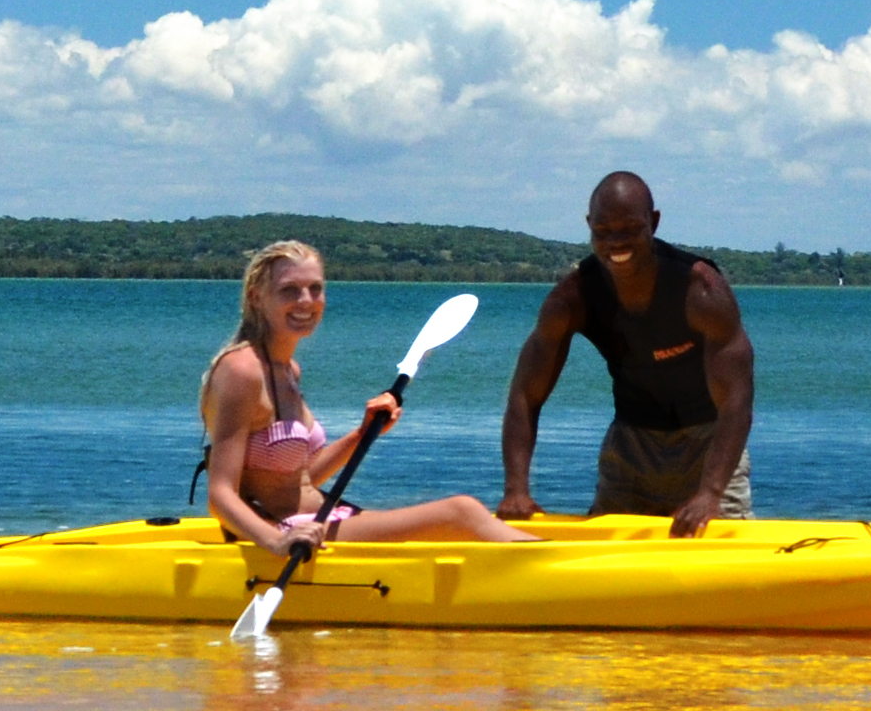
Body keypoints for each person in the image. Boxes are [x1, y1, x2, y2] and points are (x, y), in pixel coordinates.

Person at [199, 241, 532, 552]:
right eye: (290, 290)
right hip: (287, 532)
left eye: (315, 288)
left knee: (463, 516)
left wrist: (362, 433)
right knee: (461, 511)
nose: (306, 300)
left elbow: (301, 479)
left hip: (320, 518)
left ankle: (541, 555)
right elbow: (220, 495)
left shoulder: (288, 370)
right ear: (257, 298)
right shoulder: (241, 370)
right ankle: (547, 567)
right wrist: (277, 542)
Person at [499, 171, 755, 536]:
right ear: (589, 225)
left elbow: (736, 399)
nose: (616, 243)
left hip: (708, 447)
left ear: (654, 222)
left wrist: (710, 493)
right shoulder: (572, 298)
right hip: (630, 452)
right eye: (603, 231)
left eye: (630, 229)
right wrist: (516, 491)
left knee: (716, 556)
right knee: (605, 562)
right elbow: (525, 395)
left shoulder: (700, 290)